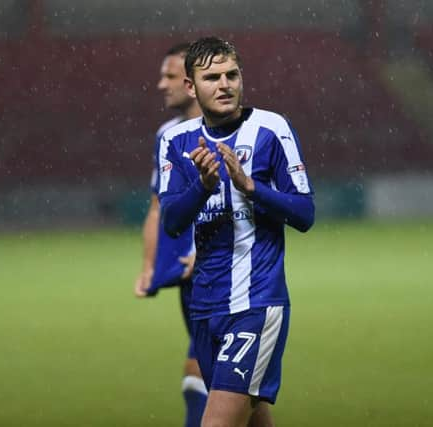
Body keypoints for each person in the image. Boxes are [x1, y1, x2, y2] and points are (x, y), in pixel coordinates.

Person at [157, 37, 315, 427]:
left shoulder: (270, 129)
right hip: (205, 307)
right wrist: (203, 186)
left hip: (256, 304)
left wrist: (250, 187)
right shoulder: (176, 141)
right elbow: (173, 221)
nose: (225, 84)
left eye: (232, 75)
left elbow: (304, 213)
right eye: (212, 77)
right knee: (254, 417)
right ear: (192, 87)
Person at [134, 43, 207, 427]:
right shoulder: (167, 134)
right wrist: (148, 266)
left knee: (203, 367)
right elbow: (158, 207)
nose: (160, 84)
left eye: (169, 76)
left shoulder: (231, 132)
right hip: (186, 274)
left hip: (224, 272)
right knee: (225, 378)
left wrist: (207, 252)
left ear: (192, 82)